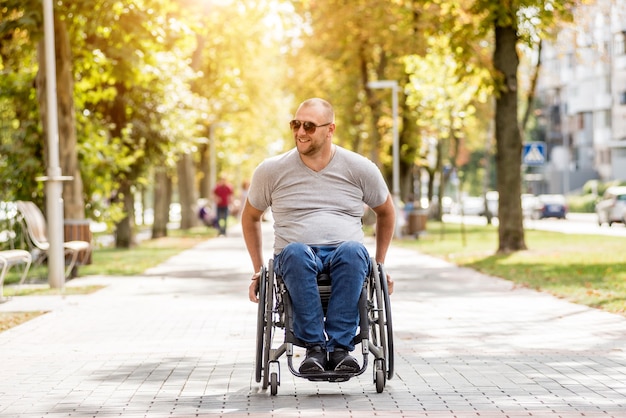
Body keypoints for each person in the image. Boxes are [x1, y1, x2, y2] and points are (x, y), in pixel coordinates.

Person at [241, 98, 395, 374]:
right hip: (295, 255)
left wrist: (380, 264)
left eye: (309, 126)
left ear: (330, 129)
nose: (300, 132)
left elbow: (386, 211)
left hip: (345, 254)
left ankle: (339, 349)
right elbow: (250, 216)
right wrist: (256, 269)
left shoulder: (359, 167)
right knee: (296, 252)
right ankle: (313, 348)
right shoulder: (271, 170)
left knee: (352, 251)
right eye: (296, 124)